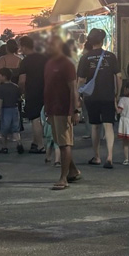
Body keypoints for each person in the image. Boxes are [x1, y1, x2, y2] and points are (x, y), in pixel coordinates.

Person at [78, 28, 120, 169]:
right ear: (102, 41)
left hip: (91, 97)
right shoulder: (111, 56)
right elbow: (118, 76)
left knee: (95, 126)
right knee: (109, 125)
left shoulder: (85, 58)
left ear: (90, 41)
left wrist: (79, 95)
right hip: (108, 95)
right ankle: (110, 157)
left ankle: (96, 157)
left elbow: (81, 80)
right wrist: (117, 94)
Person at [43, 35, 81, 190]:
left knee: (65, 144)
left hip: (64, 110)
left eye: (52, 44)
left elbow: (73, 89)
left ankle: (63, 178)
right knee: (60, 142)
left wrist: (75, 110)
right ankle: (73, 171)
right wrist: (47, 109)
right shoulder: (49, 63)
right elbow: (48, 86)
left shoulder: (67, 64)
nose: (49, 47)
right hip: (52, 109)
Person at [17, 36, 48, 154]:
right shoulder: (43, 58)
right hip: (45, 90)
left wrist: (22, 92)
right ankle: (35, 142)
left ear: (24, 47)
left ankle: (40, 145)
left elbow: (22, 81)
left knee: (35, 119)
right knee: (40, 117)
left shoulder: (25, 61)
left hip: (32, 91)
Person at [0, 68, 23, 154]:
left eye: (0, 75)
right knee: (16, 129)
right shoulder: (15, 87)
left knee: (4, 130)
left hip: (5, 110)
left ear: (4, 76)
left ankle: (4, 147)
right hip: (15, 109)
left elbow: (0, 100)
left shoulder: (1, 88)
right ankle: (19, 144)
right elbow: (19, 98)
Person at [115, 83, 129, 165]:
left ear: (128, 89)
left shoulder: (123, 99)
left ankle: (126, 159)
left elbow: (118, 111)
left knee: (125, 142)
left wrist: (114, 103)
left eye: (125, 88)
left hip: (125, 121)